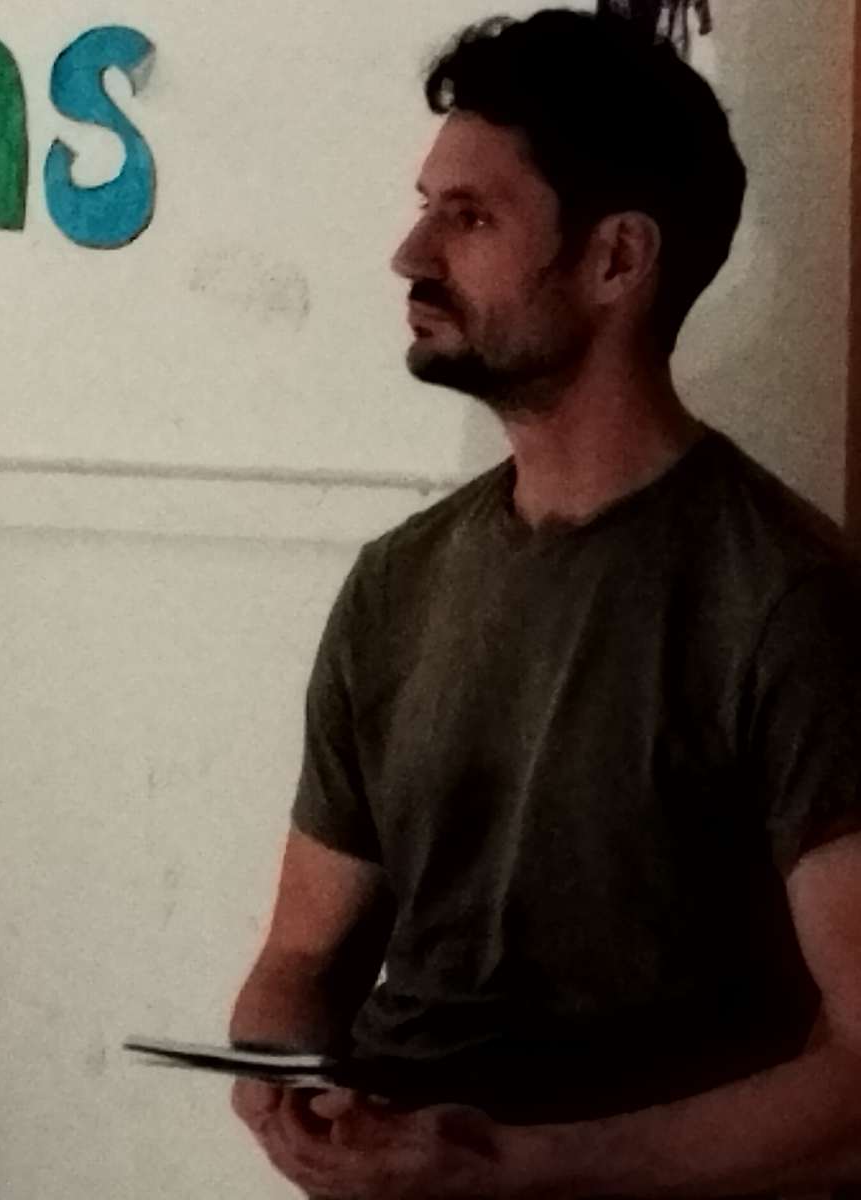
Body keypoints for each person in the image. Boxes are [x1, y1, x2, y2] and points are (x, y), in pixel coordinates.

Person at [229, 11, 861, 1197]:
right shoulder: (397, 582)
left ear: (617, 260)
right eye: (427, 206)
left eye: (470, 218)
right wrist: (281, 1085)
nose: (410, 254)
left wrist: (530, 1167)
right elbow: (300, 956)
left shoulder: (787, 602)